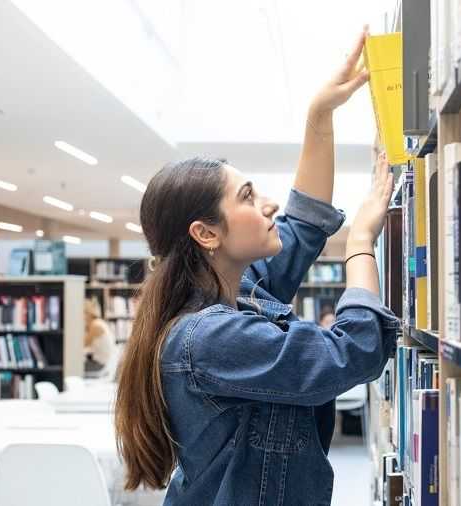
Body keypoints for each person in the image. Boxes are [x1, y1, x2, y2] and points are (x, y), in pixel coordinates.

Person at [114, 27, 398, 506]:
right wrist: (362, 242)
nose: (268, 205)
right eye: (247, 196)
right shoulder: (209, 338)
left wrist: (320, 115)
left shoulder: (237, 290)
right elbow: (355, 352)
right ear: (206, 233)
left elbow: (304, 222)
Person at [82, 297, 115, 375]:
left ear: (88, 314)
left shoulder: (95, 325)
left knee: (74, 366)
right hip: (102, 362)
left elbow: (84, 344)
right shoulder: (98, 323)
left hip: (100, 365)